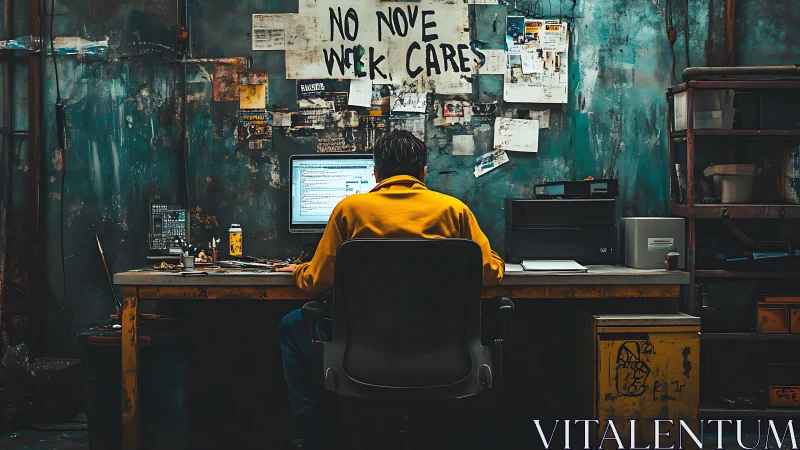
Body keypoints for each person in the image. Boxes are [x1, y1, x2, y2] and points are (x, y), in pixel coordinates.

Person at [276, 130, 505, 447]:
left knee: (291, 325)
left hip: (366, 354)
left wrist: (299, 270)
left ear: (376, 172)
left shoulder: (350, 210)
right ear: (423, 172)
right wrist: (494, 258)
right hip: (443, 354)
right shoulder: (455, 211)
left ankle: (314, 438)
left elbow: (316, 284)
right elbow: (491, 275)